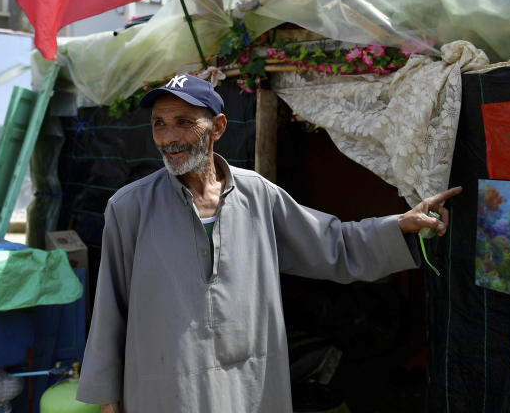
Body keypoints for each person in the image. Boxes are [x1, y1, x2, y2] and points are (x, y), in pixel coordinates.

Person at [76, 73, 461, 412]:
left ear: (218, 127)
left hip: (249, 385)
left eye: (183, 122)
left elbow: (331, 243)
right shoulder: (129, 208)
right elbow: (110, 308)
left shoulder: (258, 195)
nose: (169, 137)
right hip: (167, 391)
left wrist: (399, 226)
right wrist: (109, 399)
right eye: (159, 124)